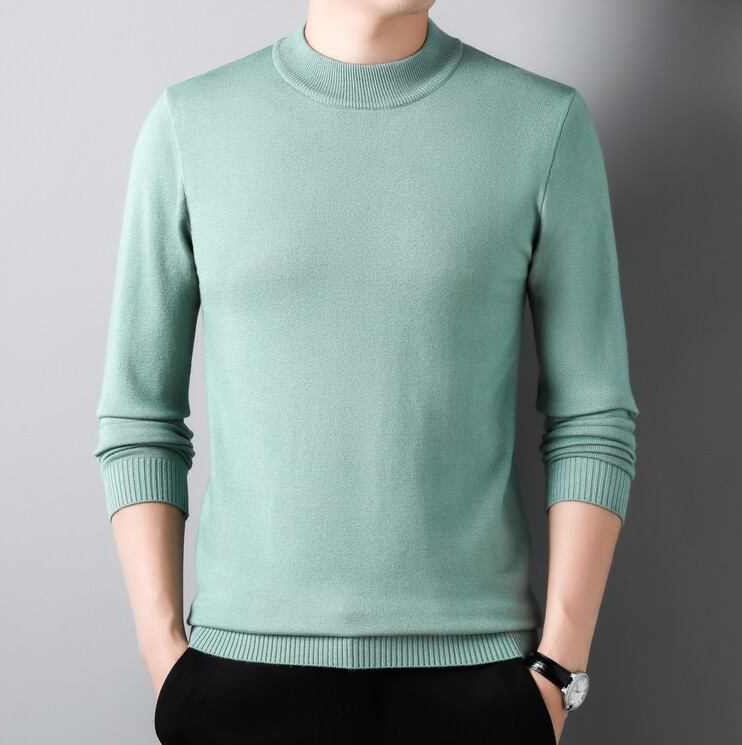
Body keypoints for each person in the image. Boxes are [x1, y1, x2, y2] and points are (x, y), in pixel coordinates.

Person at [92, 2, 639, 743]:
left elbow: (592, 416)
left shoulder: (543, 126)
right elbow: (140, 416)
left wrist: (558, 673)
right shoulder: (190, 126)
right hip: (239, 674)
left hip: (477, 681)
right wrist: (166, 660)